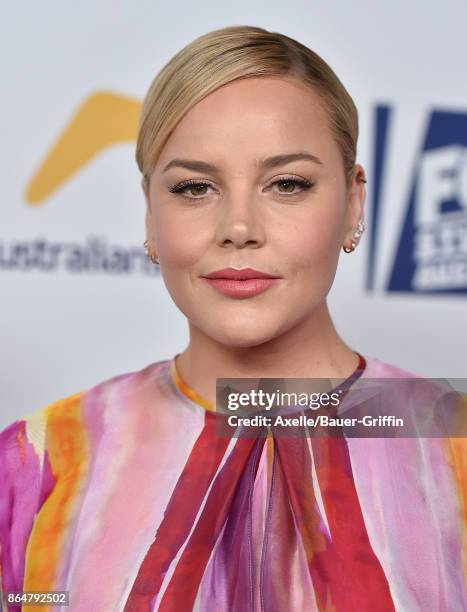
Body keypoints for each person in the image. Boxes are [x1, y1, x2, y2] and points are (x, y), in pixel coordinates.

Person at [1, 25, 465, 612]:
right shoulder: (37, 464)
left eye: (287, 184)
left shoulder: (454, 446)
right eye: (195, 188)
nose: (239, 227)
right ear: (149, 213)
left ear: (353, 203)